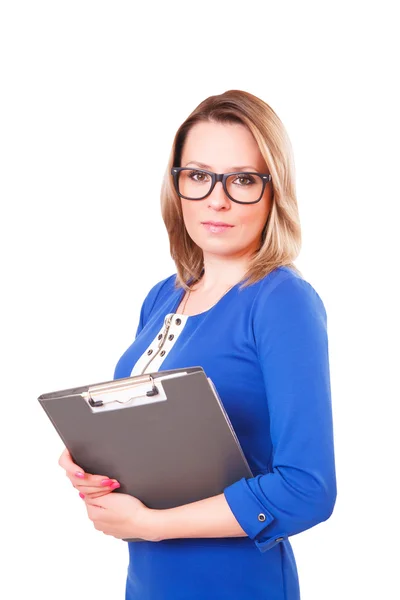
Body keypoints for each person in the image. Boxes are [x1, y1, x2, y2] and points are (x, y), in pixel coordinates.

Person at [59, 89, 337, 599]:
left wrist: (153, 525)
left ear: (274, 191)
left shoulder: (281, 302)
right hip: (149, 583)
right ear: (177, 185)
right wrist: (90, 457)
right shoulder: (163, 297)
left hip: (233, 585)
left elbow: (307, 490)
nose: (217, 198)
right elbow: (155, 435)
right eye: (198, 176)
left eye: (244, 180)